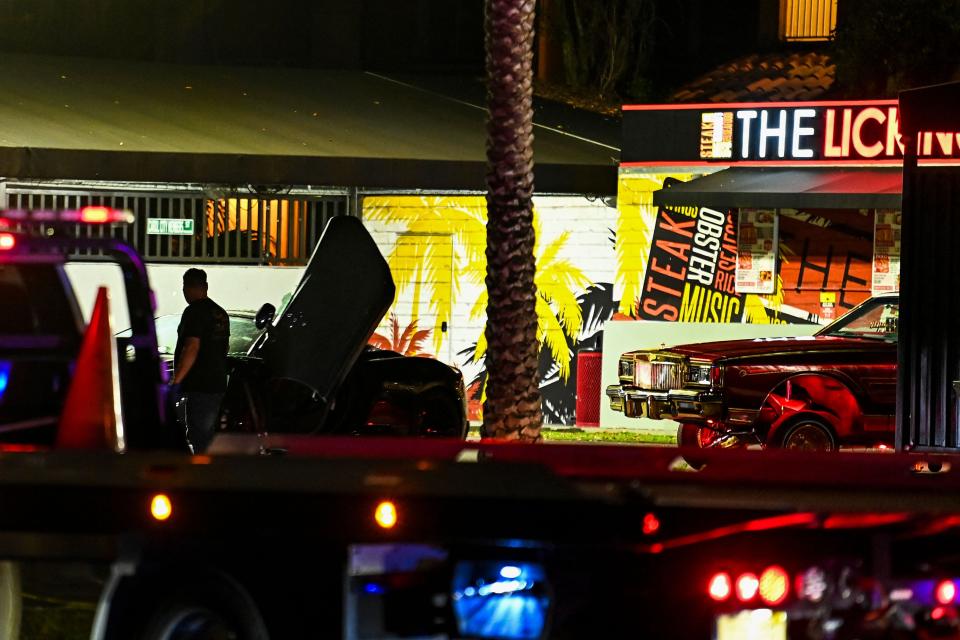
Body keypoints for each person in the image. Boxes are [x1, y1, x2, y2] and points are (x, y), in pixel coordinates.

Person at [169, 268, 230, 453]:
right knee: (207, 435)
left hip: (200, 384)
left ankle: (204, 476)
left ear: (187, 288)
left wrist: (176, 381)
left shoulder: (194, 312)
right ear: (206, 286)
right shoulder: (220, 313)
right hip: (217, 383)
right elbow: (224, 348)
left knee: (199, 436)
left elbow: (191, 348)